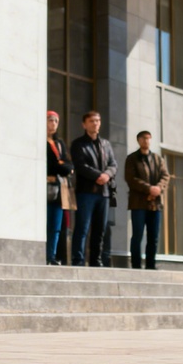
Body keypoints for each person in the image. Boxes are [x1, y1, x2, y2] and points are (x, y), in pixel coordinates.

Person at [69, 111, 117, 267]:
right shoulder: (78, 144)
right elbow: (81, 166)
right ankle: (78, 260)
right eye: (91, 121)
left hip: (104, 193)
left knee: (100, 229)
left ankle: (96, 260)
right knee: (82, 228)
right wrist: (99, 175)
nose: (95, 123)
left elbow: (113, 164)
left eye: (97, 120)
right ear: (84, 124)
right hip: (86, 192)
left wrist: (107, 175)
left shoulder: (106, 144)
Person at [123, 130, 170, 270]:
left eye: (149, 138)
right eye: (143, 138)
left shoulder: (157, 159)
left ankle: (151, 265)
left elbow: (165, 176)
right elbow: (131, 179)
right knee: (137, 235)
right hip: (138, 203)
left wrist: (158, 188)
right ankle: (136, 265)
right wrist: (148, 189)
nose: (146, 141)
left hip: (155, 204)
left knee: (153, 236)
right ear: (138, 140)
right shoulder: (132, 158)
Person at [45, 111, 74, 265]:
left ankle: (52, 255)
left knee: (56, 225)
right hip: (45, 187)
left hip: (59, 187)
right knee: (45, 222)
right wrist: (62, 166)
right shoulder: (41, 141)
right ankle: (43, 254)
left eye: (56, 121)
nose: (54, 123)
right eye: (50, 120)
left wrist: (64, 166)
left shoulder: (60, 143)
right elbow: (51, 164)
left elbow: (69, 164)